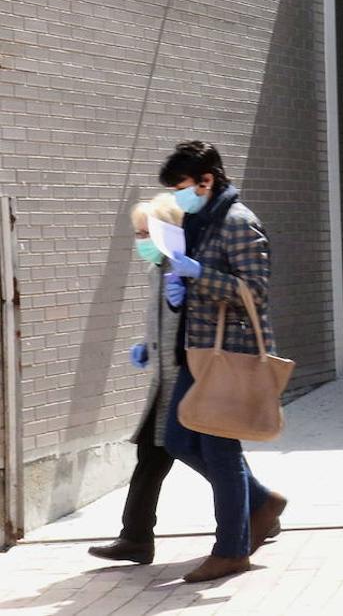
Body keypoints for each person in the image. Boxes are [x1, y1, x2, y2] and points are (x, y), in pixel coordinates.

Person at [158, 141, 286, 583]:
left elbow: (255, 290)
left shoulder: (238, 222)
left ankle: (231, 549)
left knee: (219, 448)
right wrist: (179, 287)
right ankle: (262, 502)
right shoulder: (200, 221)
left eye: (183, 187)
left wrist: (200, 276)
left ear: (207, 180)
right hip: (200, 352)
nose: (179, 197)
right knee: (178, 439)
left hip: (233, 351)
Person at [86, 194, 185, 565]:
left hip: (184, 385)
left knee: (207, 457)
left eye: (147, 232)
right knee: (154, 455)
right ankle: (136, 536)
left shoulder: (181, 270)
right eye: (137, 234)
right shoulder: (156, 270)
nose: (141, 241)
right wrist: (148, 346)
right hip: (166, 384)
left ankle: (260, 506)